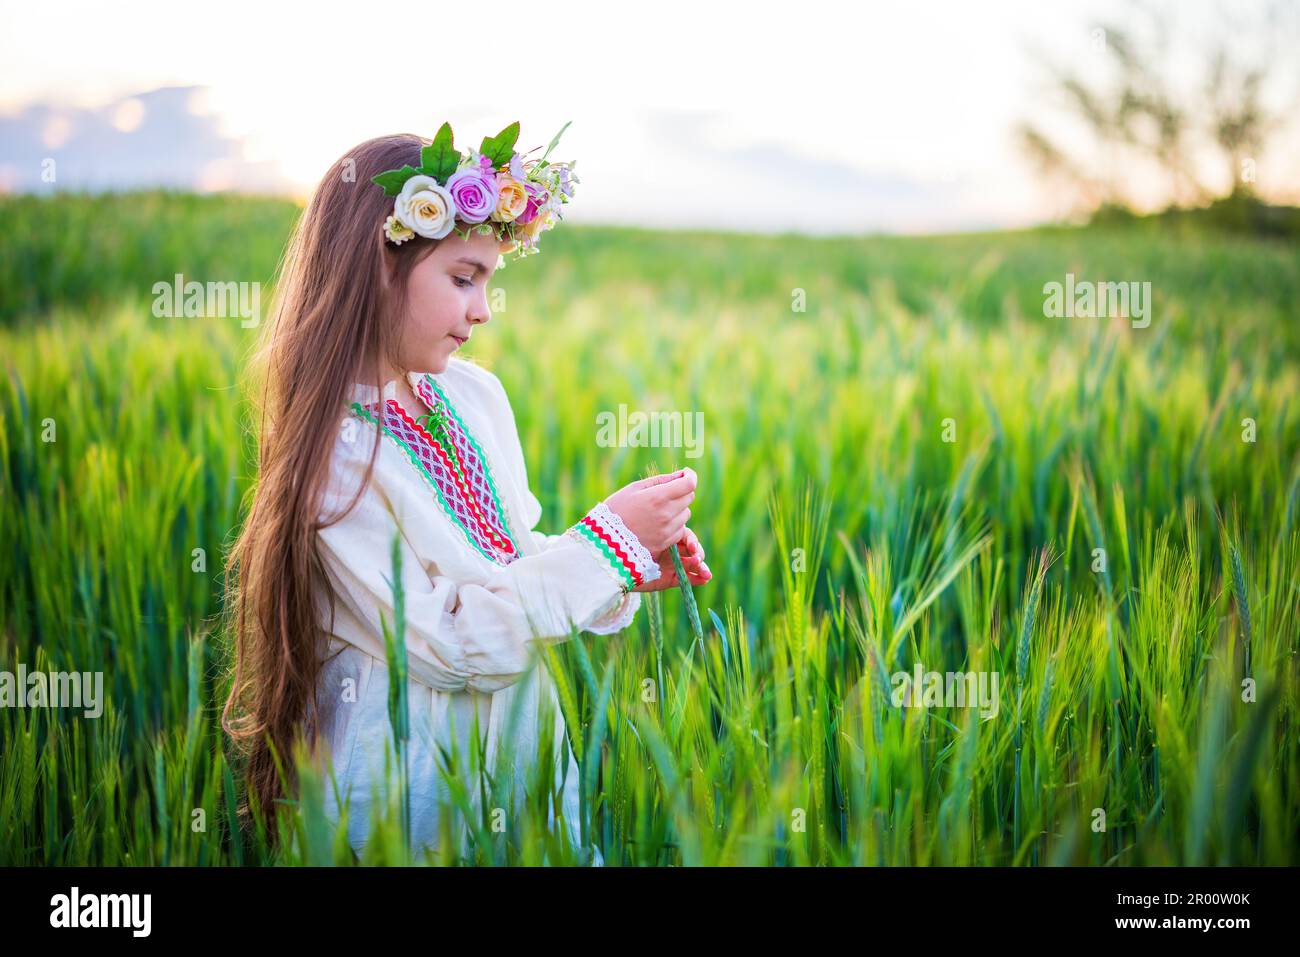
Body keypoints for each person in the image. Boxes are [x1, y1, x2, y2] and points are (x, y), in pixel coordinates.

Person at [221, 123, 711, 864]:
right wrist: (601, 542)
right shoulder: (331, 464)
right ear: (378, 268)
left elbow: (507, 562)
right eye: (463, 277)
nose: (483, 309)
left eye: (490, 281)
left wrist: (623, 563)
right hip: (405, 774)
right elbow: (446, 642)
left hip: (516, 744)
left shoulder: (474, 396)